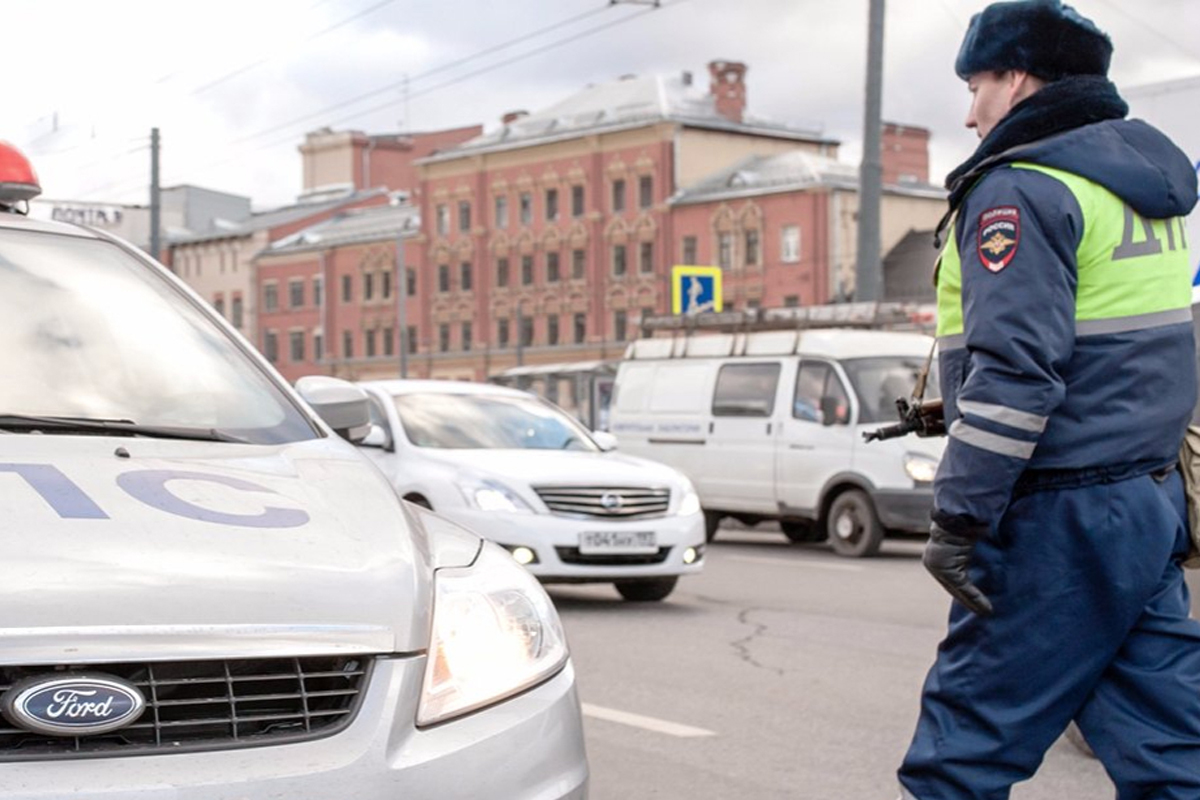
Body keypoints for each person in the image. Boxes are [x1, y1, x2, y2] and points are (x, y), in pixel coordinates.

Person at [897, 2, 1200, 798]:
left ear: (1020, 77)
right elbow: (1119, 355)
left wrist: (958, 518)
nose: (969, 114)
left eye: (978, 86)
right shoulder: (1142, 186)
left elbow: (1018, 376)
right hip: (1143, 499)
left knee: (957, 762)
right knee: (1171, 753)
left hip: (1054, 517)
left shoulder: (1021, 192)